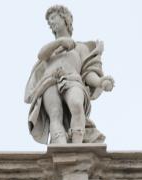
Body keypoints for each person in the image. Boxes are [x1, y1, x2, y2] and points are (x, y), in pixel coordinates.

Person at [25, 5, 114, 145]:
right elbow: (41, 54)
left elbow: (88, 72)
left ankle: (77, 145)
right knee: (55, 114)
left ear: (65, 18)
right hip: (50, 82)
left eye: (53, 18)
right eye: (49, 22)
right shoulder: (51, 50)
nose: (51, 23)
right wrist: (60, 42)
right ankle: (61, 145)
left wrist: (100, 82)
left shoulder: (80, 48)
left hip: (73, 80)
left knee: (76, 104)